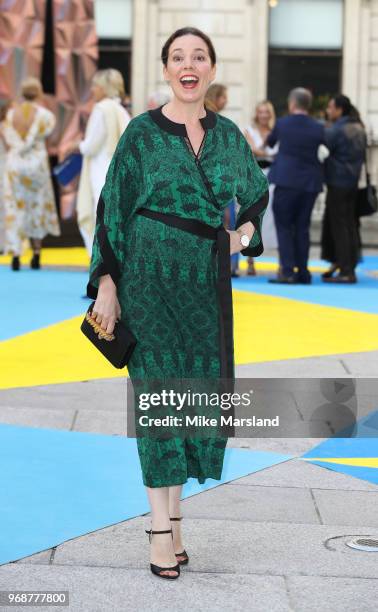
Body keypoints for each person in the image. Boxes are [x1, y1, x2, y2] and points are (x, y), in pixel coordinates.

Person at [87, 27, 269, 580]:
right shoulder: (141, 134)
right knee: (157, 402)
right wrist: (108, 286)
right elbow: (110, 211)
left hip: (204, 288)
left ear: (210, 69)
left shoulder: (229, 135)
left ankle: (176, 521)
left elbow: (256, 196)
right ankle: (159, 531)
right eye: (177, 57)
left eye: (198, 57)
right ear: (165, 69)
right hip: (146, 281)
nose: (188, 65)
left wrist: (240, 236)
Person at [266, 88, 325, 284]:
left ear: (292, 104)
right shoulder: (318, 126)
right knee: (303, 227)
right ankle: (304, 272)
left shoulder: (283, 123)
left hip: (286, 180)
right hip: (310, 183)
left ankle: (288, 271)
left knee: (283, 226)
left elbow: (270, 142)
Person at [69, 69, 131, 255]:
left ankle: (101, 266)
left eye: (95, 85)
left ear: (105, 87)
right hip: (118, 173)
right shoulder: (121, 110)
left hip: (100, 172)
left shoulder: (101, 109)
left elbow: (91, 146)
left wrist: (75, 145)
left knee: (98, 218)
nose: (92, 90)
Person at [2, 78, 60, 271]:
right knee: (37, 207)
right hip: (37, 166)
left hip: (15, 165)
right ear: (39, 92)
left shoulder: (11, 114)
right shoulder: (46, 116)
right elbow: (49, 134)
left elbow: (8, 139)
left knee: (16, 207)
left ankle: (16, 255)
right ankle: (36, 254)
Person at [321, 95, 367, 283]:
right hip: (352, 183)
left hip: (338, 183)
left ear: (340, 109)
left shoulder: (337, 129)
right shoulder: (359, 128)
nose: (328, 111)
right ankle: (347, 265)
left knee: (340, 227)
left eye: (331, 107)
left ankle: (346, 271)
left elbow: (323, 146)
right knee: (349, 226)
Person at [245, 100, 279, 275]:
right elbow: (253, 150)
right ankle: (250, 260)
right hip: (256, 176)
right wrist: (269, 153)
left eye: (267, 111)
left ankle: (281, 259)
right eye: (261, 111)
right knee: (253, 216)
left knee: (275, 216)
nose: (264, 115)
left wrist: (264, 152)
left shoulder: (276, 131)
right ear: (256, 114)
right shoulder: (249, 131)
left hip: (274, 176)